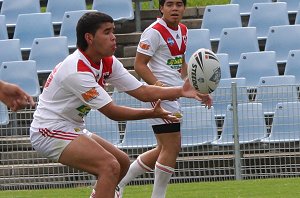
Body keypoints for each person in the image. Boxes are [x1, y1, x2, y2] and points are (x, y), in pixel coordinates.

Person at [29, 12, 211, 198]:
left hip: (72, 127)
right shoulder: (76, 70)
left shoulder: (107, 61)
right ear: (89, 38)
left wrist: (180, 91)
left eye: (113, 31)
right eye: (107, 32)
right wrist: (151, 113)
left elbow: (141, 91)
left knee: (122, 162)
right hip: (48, 131)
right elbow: (112, 112)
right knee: (109, 166)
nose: (113, 37)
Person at [117, 1, 210, 198]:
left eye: (179, 4)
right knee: (172, 146)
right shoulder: (153, 32)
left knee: (163, 148)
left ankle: (119, 183)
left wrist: (195, 86)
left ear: (184, 8)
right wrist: (158, 87)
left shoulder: (183, 30)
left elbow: (181, 63)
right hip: (160, 96)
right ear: (161, 8)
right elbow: (139, 65)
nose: (174, 8)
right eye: (169, 4)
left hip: (174, 94)